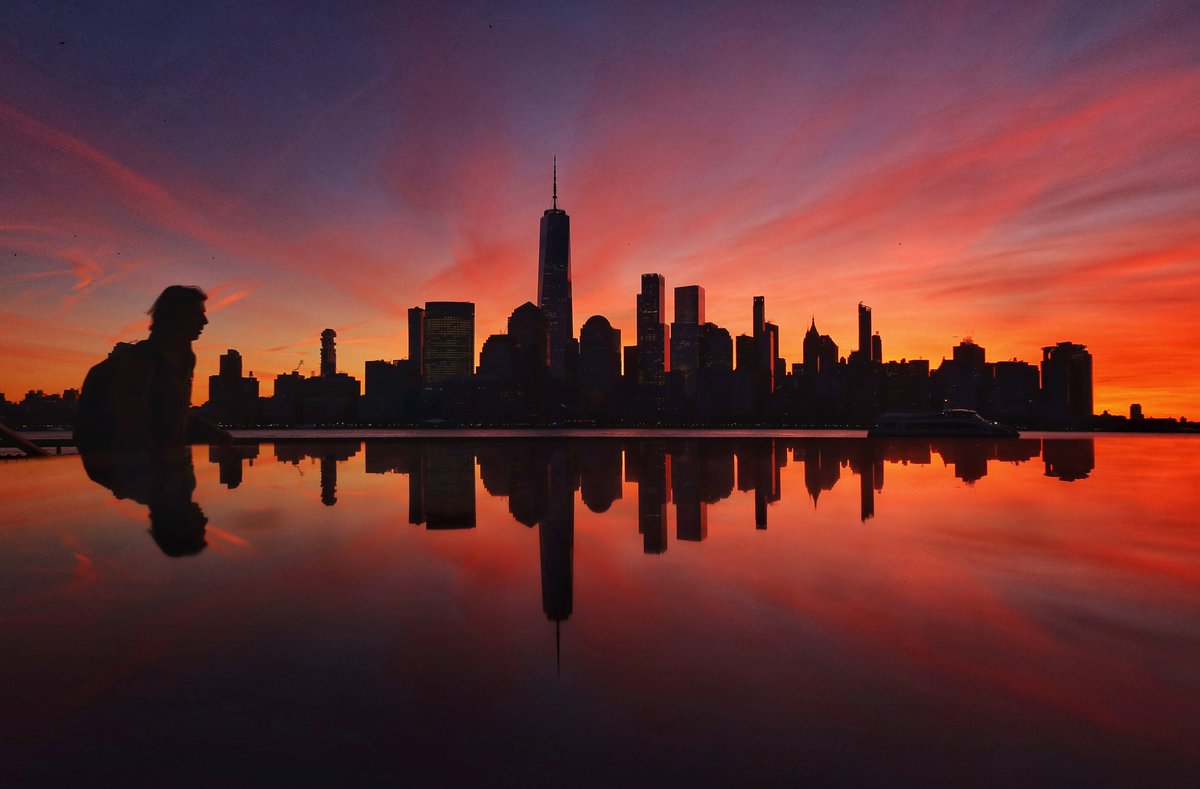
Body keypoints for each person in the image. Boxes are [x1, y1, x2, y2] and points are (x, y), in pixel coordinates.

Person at [75, 285, 232, 450]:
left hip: (158, 467)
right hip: (133, 470)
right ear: (177, 316)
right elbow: (135, 424)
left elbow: (173, 417)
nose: (205, 321)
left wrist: (215, 434)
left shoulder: (181, 360)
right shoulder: (139, 363)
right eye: (197, 314)